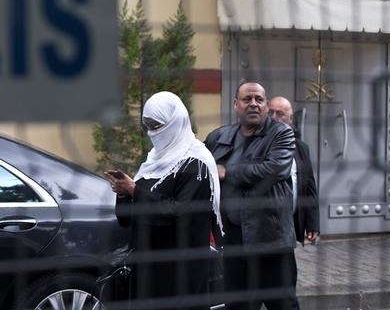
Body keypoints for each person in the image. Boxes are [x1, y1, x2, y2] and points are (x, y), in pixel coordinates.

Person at [105, 91, 223, 310]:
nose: (152, 133)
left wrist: (134, 190)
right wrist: (122, 193)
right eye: (148, 126)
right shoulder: (153, 161)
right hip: (147, 270)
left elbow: (180, 214)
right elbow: (126, 218)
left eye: (157, 126)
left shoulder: (197, 163)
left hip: (179, 273)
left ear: (175, 122)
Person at [204, 82, 298, 310]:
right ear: (236, 105)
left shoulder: (281, 133)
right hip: (234, 240)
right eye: (247, 99)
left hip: (270, 240)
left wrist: (227, 172)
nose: (254, 104)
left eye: (259, 99)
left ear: (266, 105)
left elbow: (274, 169)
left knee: (283, 304)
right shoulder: (219, 136)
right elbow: (200, 166)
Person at [268, 96, 320, 245]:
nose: (274, 117)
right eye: (270, 113)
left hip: (289, 224)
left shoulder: (301, 148)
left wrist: (313, 223)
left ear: (290, 119)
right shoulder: (255, 144)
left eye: (280, 114)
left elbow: (310, 187)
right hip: (262, 227)